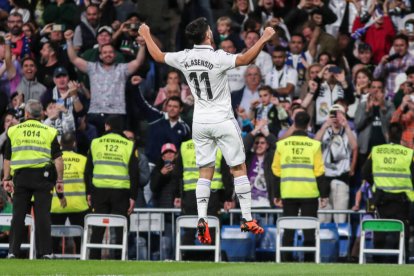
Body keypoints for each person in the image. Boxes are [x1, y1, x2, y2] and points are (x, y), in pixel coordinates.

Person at [139, 17, 276, 244]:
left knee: (205, 171)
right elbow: (245, 58)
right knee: (238, 167)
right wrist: (264, 37)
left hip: (200, 121)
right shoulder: (218, 56)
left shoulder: (185, 57)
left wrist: (145, 34)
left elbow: (158, 55)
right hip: (222, 118)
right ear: (208, 36)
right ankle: (247, 217)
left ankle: (201, 219)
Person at [2, 99, 64, 259]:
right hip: (42, 177)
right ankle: (46, 252)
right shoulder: (49, 131)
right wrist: (59, 181)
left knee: (18, 216)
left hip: (21, 177)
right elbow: (58, 159)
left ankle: (13, 252)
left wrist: (6, 178)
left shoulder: (13, 130)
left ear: (26, 113)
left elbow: (7, 158)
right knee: (43, 215)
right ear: (41, 113)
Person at [64, 29, 146, 135]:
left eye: (111, 52)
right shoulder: (92, 68)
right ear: (100, 55)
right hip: (95, 114)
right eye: (105, 52)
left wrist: (143, 46)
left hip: (117, 113)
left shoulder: (122, 69)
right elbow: (74, 59)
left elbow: (138, 62)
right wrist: (69, 41)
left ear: (115, 55)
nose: (108, 54)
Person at [271, 111, 328, 261]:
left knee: (288, 230)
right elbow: (319, 172)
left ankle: (286, 261)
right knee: (310, 230)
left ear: (294, 123)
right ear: (309, 125)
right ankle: (309, 261)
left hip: (288, 192)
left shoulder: (281, 145)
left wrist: (276, 195)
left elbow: (276, 171)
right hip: (309, 193)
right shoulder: (314, 145)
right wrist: (324, 195)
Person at [84, 115, 139, 259]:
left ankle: (93, 260)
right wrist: (133, 197)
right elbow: (134, 173)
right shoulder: (129, 144)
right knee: (121, 229)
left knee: (97, 229)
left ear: (107, 126)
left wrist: (88, 192)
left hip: (99, 191)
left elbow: (87, 171)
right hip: (121, 192)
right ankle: (119, 259)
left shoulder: (95, 142)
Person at [362, 122, 414, 263]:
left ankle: (378, 261)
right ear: (402, 135)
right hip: (403, 200)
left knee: (380, 229)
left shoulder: (377, 151)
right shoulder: (409, 154)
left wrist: (376, 184)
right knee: (402, 231)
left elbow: (365, 172)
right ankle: (401, 260)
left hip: (381, 199)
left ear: (388, 135)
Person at [50, 132, 89, 255]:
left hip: (57, 205)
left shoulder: (53, 160)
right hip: (79, 206)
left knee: (53, 240)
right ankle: (81, 263)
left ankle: (49, 262)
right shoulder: (83, 160)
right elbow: (89, 182)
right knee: (80, 240)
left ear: (60, 144)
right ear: (74, 144)